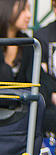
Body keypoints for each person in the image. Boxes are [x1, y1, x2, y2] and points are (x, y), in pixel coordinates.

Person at [35, 0, 56, 134]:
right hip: (51, 99)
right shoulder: (42, 35)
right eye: (55, 6)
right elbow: (41, 78)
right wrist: (52, 95)